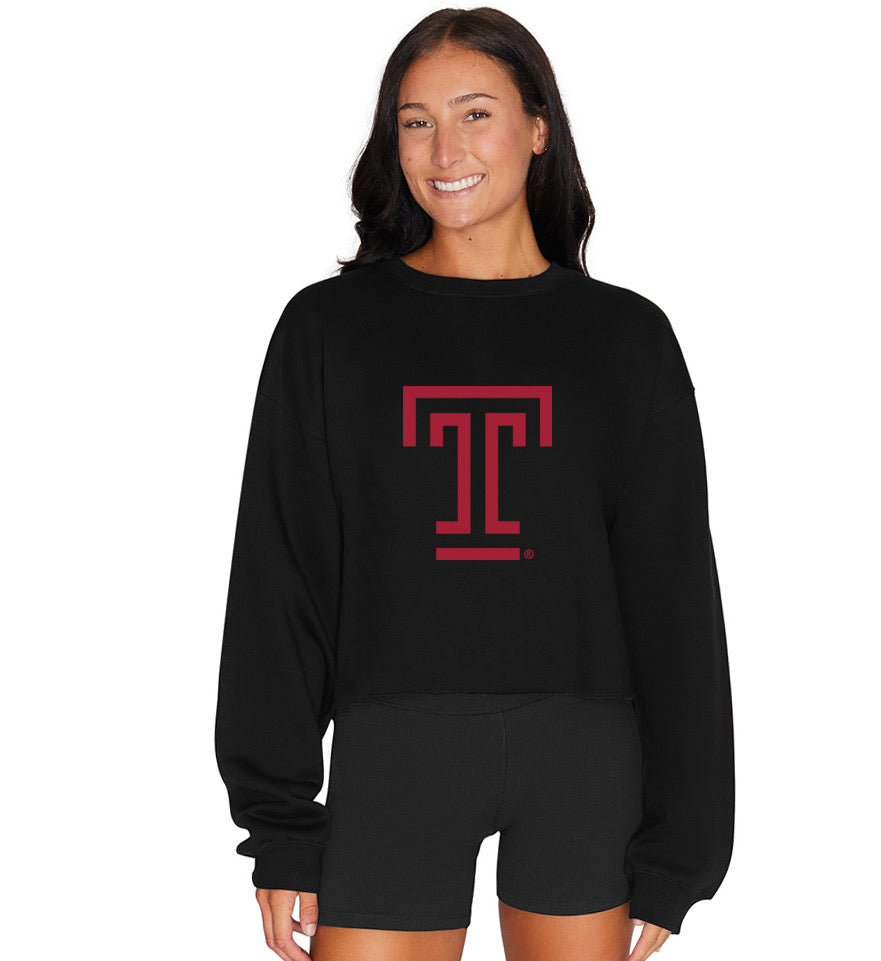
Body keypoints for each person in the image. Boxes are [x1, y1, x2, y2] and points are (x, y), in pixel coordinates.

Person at [214, 8, 735, 961]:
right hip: (394, 752)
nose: (443, 149)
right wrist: (279, 821)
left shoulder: (625, 340)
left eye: (474, 114)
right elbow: (280, 578)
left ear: (538, 128)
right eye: (415, 121)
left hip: (583, 759)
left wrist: (681, 849)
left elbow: (673, 600)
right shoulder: (329, 331)